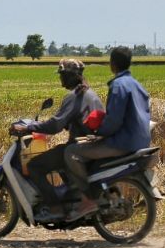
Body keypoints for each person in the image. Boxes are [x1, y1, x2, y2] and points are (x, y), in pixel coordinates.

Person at [63, 46, 151, 221]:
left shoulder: (118, 85)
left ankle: (87, 200)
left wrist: (98, 132)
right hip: (141, 140)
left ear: (112, 64)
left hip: (122, 142)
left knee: (71, 152)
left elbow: (114, 120)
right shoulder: (137, 85)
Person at [12, 59, 104, 222]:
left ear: (70, 76)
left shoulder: (74, 96)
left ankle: (55, 208)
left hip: (78, 147)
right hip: (92, 146)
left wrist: (29, 127)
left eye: (62, 75)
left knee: (35, 166)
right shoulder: (90, 94)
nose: (60, 79)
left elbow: (55, 125)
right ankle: (69, 200)